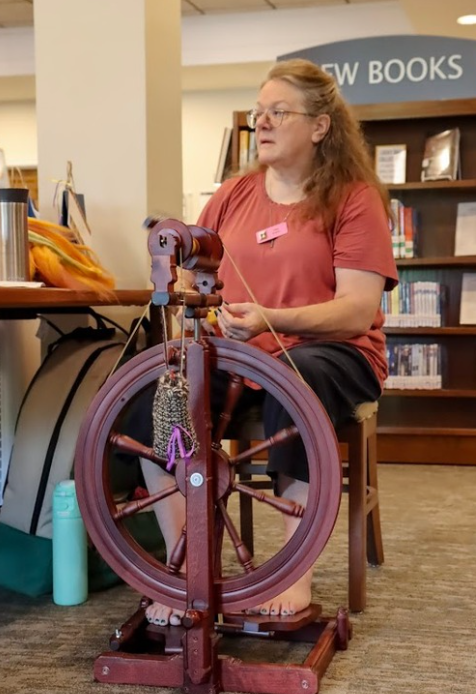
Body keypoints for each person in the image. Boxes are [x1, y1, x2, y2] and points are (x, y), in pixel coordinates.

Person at [140, 58, 398, 627]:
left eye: (279, 112)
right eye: (258, 113)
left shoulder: (353, 200)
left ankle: (290, 574)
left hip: (335, 353)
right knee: (155, 400)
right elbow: (190, 275)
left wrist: (269, 319)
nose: (263, 123)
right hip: (240, 353)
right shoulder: (232, 196)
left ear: (321, 126)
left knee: (294, 384)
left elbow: (358, 308)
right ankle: (181, 568)